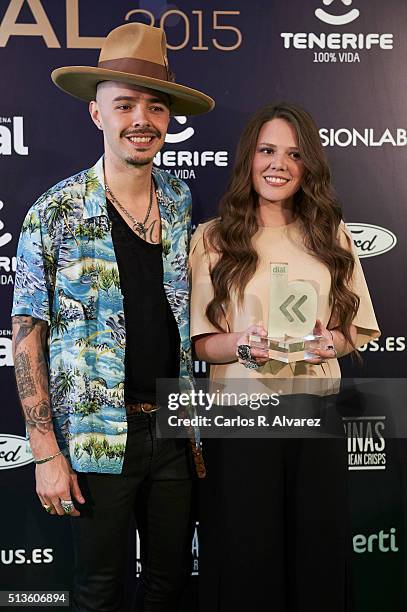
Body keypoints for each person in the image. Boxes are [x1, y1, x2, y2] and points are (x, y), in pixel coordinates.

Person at [11, 22, 213, 612]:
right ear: (97, 114)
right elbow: (27, 333)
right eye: (124, 104)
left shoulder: (179, 201)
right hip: (97, 435)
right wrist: (45, 451)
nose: (141, 119)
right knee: (98, 590)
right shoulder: (55, 211)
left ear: (169, 119)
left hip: (176, 429)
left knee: (169, 586)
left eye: (155, 106)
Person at [189, 102, 380, 611]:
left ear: (308, 165)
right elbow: (202, 343)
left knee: (317, 557)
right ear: (249, 157)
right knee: (247, 560)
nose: (279, 164)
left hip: (315, 416)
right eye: (267, 150)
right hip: (241, 420)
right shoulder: (212, 237)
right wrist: (241, 345)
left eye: (294, 154)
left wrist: (329, 343)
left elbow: (351, 332)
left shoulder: (331, 236)